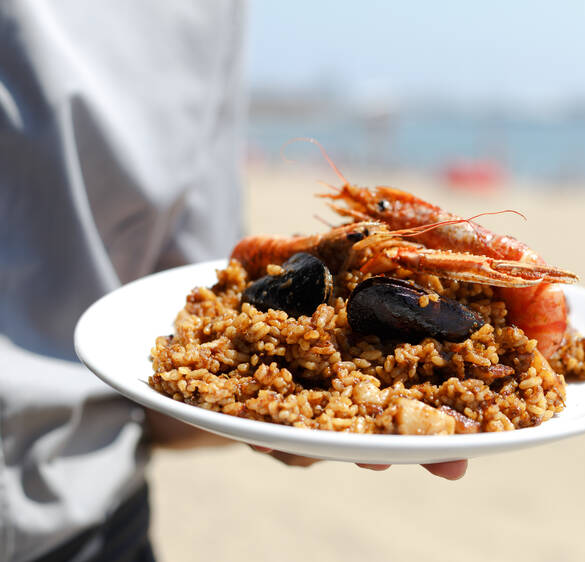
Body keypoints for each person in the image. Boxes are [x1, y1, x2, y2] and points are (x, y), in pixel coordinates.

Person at [0, 2, 465, 560]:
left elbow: (174, 385)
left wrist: (281, 409)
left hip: (92, 515)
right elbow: (177, 408)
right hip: (87, 513)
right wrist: (278, 409)